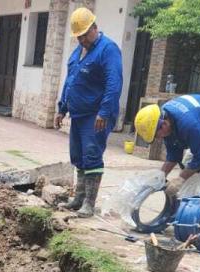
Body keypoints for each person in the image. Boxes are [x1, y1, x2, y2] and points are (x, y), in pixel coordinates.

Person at [54, 7, 124, 218]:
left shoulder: (107, 49)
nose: (81, 39)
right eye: (78, 36)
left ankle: (89, 204)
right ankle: (78, 198)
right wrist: (62, 108)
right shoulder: (78, 52)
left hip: (96, 114)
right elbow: (70, 81)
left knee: (92, 155)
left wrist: (104, 111)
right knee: (78, 156)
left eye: (84, 35)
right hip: (78, 114)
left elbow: (114, 83)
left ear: (94, 28)